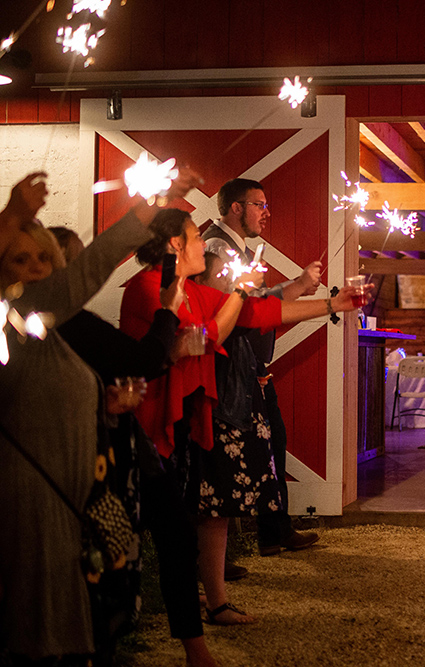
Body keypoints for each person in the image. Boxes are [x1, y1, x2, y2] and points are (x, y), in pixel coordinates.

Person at [0, 170, 213, 665]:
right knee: (44, 624)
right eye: (19, 259)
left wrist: (104, 403)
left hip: (74, 488)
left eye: (41, 258)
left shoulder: (48, 326)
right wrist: (153, 205)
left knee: (75, 613)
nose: (34, 269)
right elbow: (95, 266)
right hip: (39, 495)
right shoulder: (17, 318)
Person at [119, 208, 367, 625]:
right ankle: (128, 609)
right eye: (196, 236)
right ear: (176, 245)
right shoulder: (148, 287)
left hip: (189, 414)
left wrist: (333, 303)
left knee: (199, 512)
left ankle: (208, 601)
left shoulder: (187, 288)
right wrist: (238, 291)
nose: (204, 243)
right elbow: (203, 338)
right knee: (149, 516)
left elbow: (259, 313)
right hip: (151, 419)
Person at [202, 178, 323, 559]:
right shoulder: (217, 249)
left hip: (249, 366)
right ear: (235, 207)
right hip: (229, 370)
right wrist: (313, 297)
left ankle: (273, 531)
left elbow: (254, 302)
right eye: (259, 204)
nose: (266, 213)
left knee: (272, 445)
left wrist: (299, 285)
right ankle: (229, 551)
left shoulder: (237, 249)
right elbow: (240, 312)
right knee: (236, 459)